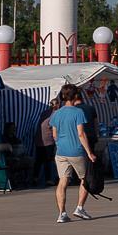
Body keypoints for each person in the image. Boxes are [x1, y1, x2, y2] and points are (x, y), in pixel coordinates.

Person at [49, 85, 97, 222]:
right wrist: (89, 152)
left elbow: (54, 135)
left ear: (63, 96)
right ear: (76, 96)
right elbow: (81, 133)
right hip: (76, 150)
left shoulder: (56, 113)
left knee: (63, 180)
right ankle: (80, 208)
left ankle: (62, 213)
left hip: (61, 151)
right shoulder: (78, 112)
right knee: (85, 178)